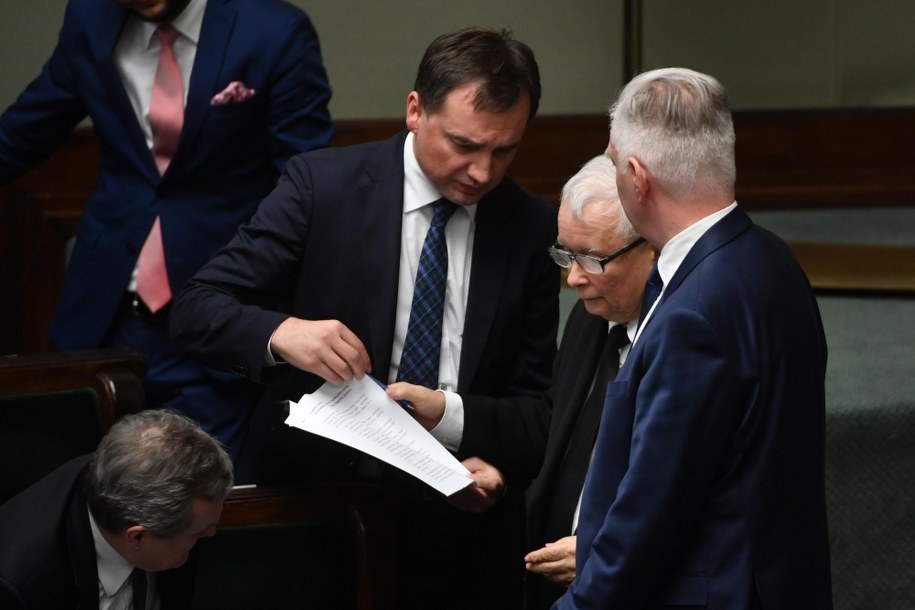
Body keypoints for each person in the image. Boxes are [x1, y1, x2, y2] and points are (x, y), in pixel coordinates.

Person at [169, 26, 559, 610]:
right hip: (313, 508)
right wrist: (282, 333)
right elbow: (196, 309)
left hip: (458, 531)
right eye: (463, 144)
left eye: (503, 150)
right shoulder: (322, 187)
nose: (481, 171)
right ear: (414, 110)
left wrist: (490, 461)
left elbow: (536, 407)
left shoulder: (529, 227)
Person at [0, 0, 334, 463]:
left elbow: (305, 185)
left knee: (196, 498)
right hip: (103, 314)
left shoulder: (272, 31)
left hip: (214, 323)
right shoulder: (90, 19)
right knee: (77, 483)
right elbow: (25, 130)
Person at [555, 68, 833, 609]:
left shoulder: (694, 315)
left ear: (637, 177)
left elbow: (648, 518)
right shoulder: (772, 259)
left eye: (612, 165)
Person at [386, 154, 657, 610]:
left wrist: (608, 550)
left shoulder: (683, 339)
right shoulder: (595, 319)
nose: (573, 279)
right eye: (566, 255)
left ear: (651, 248)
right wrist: (449, 414)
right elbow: (554, 425)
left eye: (591, 259)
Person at [0, 409, 234, 609]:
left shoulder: (140, 479)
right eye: (199, 535)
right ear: (137, 537)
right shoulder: (21, 586)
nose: (210, 534)